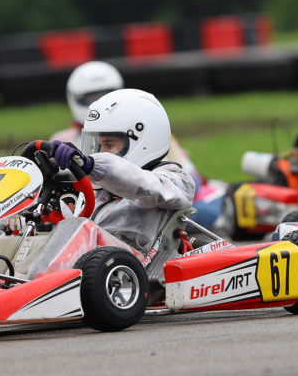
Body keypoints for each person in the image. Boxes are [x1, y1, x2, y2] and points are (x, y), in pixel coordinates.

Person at [44, 88, 196, 254]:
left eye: (109, 145)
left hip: (133, 263)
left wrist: (93, 165)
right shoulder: (98, 189)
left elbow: (141, 183)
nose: (100, 152)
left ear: (143, 141)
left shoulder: (175, 181)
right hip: (94, 262)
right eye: (98, 145)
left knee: (84, 231)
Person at [51, 60, 125, 144]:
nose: (99, 103)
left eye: (105, 97)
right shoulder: (63, 142)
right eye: (92, 98)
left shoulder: (130, 133)